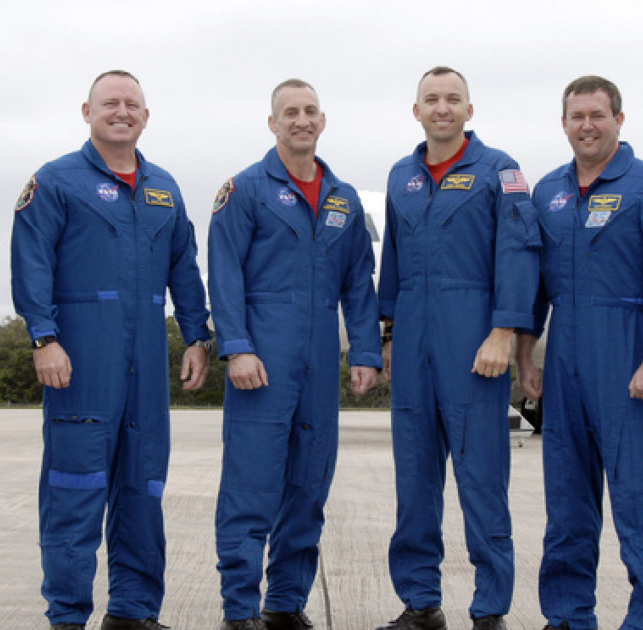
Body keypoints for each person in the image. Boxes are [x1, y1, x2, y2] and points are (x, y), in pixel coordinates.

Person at [11, 70, 212, 630]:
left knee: (143, 490)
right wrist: (43, 338)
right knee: (74, 490)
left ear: (146, 116)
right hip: (82, 360)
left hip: (146, 366)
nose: (121, 112)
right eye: (110, 103)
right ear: (87, 111)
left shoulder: (163, 188)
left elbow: (185, 269)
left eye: (132, 104)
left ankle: (132, 612)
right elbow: (31, 265)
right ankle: (68, 617)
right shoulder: (55, 182)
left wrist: (196, 335)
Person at [516, 76, 643, 630]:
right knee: (567, 499)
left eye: (598, 115)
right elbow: (533, 286)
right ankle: (567, 615)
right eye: (577, 116)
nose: (587, 126)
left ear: (620, 118)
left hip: (629, 349)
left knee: (639, 500)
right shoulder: (547, 192)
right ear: (563, 123)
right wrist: (527, 358)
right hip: (565, 349)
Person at [208, 78, 381, 630]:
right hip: (263, 357)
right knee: (251, 488)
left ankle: (285, 604)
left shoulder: (343, 198)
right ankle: (240, 609)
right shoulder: (246, 189)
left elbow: (359, 281)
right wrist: (235, 348)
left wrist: (366, 351)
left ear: (322, 121)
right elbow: (225, 274)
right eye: (290, 112)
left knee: (309, 488)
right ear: (273, 123)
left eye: (310, 111)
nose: (301, 120)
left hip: (318, 362)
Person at [376, 66, 539, 630]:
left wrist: (503, 331)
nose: (441, 108)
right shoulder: (402, 175)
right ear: (416, 110)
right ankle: (420, 603)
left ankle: (489, 609)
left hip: (474, 337)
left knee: (481, 479)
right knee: (414, 479)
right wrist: (391, 334)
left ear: (470, 110)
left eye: (453, 99)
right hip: (415, 334)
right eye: (431, 99)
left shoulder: (500, 171)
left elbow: (519, 252)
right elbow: (391, 263)